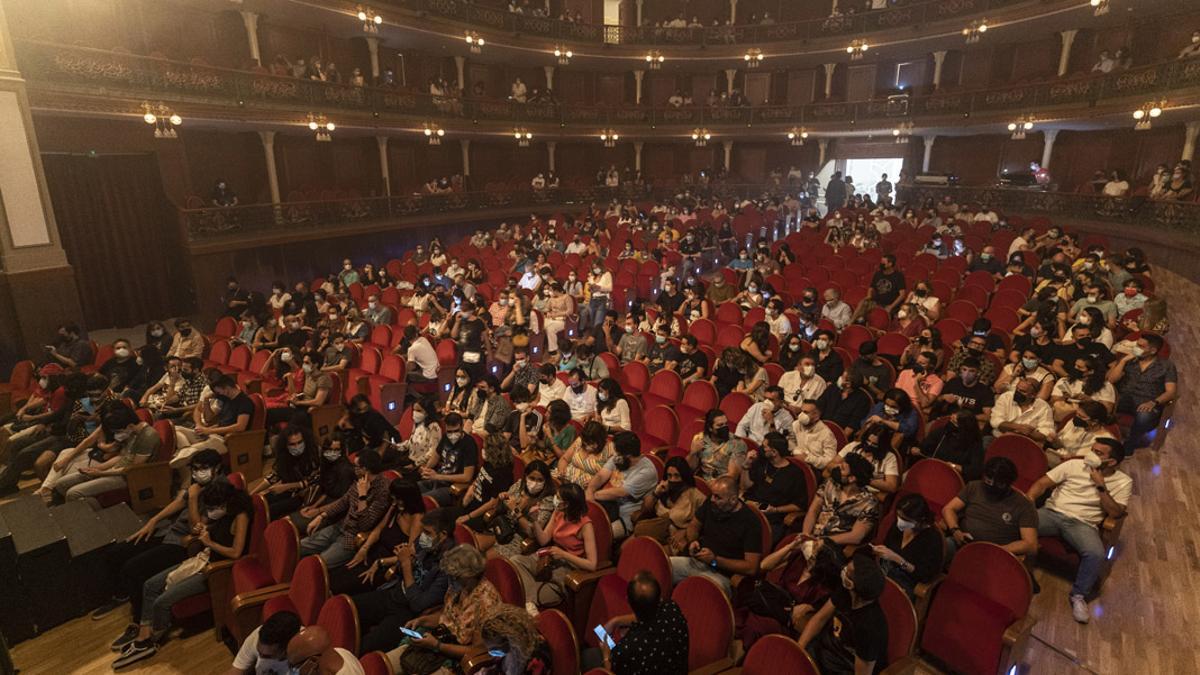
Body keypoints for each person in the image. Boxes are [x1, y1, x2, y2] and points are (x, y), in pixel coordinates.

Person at [110, 477, 252, 667]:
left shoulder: (240, 515)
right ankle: (144, 633)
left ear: (225, 503)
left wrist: (209, 542)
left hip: (214, 569)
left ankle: (153, 637)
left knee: (162, 600)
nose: (210, 512)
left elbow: (235, 553)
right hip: (202, 558)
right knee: (150, 585)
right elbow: (196, 530)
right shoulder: (220, 514)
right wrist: (204, 528)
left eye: (212, 508)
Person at [1026, 438, 1131, 623]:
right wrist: (1029, 499)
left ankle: (1078, 595)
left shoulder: (1123, 482)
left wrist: (1100, 485)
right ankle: (1019, 568)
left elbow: (1115, 512)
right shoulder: (1074, 465)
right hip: (1053, 512)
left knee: (1096, 553)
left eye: (1098, 453)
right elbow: (1042, 483)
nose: (1090, 455)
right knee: (1018, 522)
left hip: (1082, 523)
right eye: (1092, 450)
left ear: (1112, 462)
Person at [351, 507, 456, 653]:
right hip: (393, 593)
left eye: (427, 533)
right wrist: (403, 559)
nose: (422, 537)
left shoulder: (449, 565)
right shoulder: (426, 541)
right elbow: (402, 567)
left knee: (364, 647)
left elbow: (419, 605)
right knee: (348, 610)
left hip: (407, 614)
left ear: (443, 535)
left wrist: (406, 566)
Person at [384, 544, 502, 672]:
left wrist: (438, 646)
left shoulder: (487, 603)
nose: (451, 581)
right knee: (385, 664)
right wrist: (422, 621)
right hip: (438, 642)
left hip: (455, 659)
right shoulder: (458, 586)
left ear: (471, 575)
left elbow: (477, 651)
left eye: (455, 577)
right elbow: (446, 617)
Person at [669, 475, 763, 597]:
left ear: (733, 500)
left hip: (722, 575)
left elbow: (751, 567)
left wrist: (715, 560)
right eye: (713, 495)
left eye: (718, 497)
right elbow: (693, 526)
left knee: (697, 593)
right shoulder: (711, 503)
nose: (712, 499)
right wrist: (693, 541)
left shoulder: (750, 522)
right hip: (697, 562)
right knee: (661, 567)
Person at [49, 405, 159, 508]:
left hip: (126, 477)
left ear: (130, 426)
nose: (117, 434)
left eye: (118, 431)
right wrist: (98, 468)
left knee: (73, 493)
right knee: (61, 484)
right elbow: (121, 456)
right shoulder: (131, 431)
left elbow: (132, 469)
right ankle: (63, 512)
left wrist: (101, 473)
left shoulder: (147, 436)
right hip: (115, 469)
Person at [796, 553, 888, 675]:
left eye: (848, 571)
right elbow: (820, 618)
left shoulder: (870, 627)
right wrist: (798, 650)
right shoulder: (846, 592)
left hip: (842, 668)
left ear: (851, 584)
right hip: (824, 651)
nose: (843, 569)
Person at [511, 482, 599, 607]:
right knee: (515, 561)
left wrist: (563, 555)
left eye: (558, 497)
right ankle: (530, 599)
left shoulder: (586, 525)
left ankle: (529, 597)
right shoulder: (558, 511)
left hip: (568, 566)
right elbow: (544, 539)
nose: (555, 499)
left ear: (567, 504)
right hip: (549, 557)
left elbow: (592, 564)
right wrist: (535, 520)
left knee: (525, 589)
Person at [300, 450, 390, 567]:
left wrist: (362, 496)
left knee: (318, 564)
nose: (353, 469)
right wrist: (321, 516)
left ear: (365, 469)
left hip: (352, 537)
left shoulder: (383, 490)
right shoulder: (360, 479)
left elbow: (365, 524)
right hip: (340, 526)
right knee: (299, 547)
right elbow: (344, 501)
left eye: (356, 466)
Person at [942, 456, 1038, 558]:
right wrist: (955, 531)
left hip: (995, 555)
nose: (991, 486)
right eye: (988, 481)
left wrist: (996, 550)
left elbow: (1030, 545)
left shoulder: (1023, 505)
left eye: (999, 484)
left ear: (1008, 483)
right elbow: (949, 509)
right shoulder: (974, 487)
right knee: (939, 546)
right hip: (962, 543)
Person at [595, 571, 689, 675]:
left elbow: (613, 672)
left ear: (629, 602)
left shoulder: (626, 649)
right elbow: (649, 613)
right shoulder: (672, 608)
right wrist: (616, 621)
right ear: (659, 598)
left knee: (587, 657)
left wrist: (606, 656)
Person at [1107, 333, 1176, 453]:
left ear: (1153, 350)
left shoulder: (1166, 366)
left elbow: (1171, 392)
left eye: (1140, 346)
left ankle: (1130, 445)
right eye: (1136, 345)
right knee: (1103, 405)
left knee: (1144, 418)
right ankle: (1106, 437)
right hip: (1123, 397)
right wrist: (1123, 361)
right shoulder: (1130, 360)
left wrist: (1153, 402)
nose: (1136, 348)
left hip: (1147, 401)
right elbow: (1111, 380)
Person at [171, 375, 253, 468]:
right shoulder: (226, 399)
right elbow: (219, 421)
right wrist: (206, 400)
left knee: (193, 450)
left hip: (224, 440)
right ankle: (184, 450)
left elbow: (240, 426)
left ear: (226, 388)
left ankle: (183, 455)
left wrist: (210, 431)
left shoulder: (245, 401)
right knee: (176, 429)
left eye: (218, 391)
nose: (217, 394)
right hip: (213, 433)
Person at [587, 431, 658, 538]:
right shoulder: (619, 458)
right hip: (605, 504)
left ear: (628, 455)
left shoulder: (647, 471)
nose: (613, 455)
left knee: (596, 536)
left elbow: (621, 492)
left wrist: (594, 495)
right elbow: (601, 475)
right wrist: (590, 490)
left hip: (624, 516)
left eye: (617, 452)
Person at [741, 432, 809, 544]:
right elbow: (745, 487)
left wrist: (775, 510)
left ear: (774, 452)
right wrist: (746, 466)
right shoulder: (761, 462)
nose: (761, 448)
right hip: (750, 507)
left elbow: (799, 505)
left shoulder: (795, 474)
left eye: (764, 447)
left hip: (772, 517)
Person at [871, 493, 942, 598]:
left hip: (906, 580)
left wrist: (898, 560)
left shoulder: (932, 538)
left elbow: (925, 575)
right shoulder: (899, 526)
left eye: (905, 519)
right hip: (885, 570)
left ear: (920, 520)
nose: (900, 521)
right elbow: (887, 544)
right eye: (899, 516)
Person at [252, 424, 319, 517]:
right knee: (258, 503)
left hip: (304, 495)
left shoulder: (314, 453)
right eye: (292, 444)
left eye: (300, 442)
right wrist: (251, 493)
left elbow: (315, 479)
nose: (297, 446)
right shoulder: (285, 456)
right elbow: (274, 476)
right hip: (288, 491)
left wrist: (286, 487)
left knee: (269, 511)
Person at [420, 412, 479, 505]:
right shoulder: (445, 437)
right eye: (449, 431)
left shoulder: (469, 444)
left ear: (462, 426)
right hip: (437, 479)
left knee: (423, 501)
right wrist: (426, 469)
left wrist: (437, 476)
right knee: (412, 491)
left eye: (456, 431)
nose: (452, 435)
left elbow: (467, 477)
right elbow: (436, 456)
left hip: (451, 486)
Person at [478, 604, 553, 675]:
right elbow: (499, 666)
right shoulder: (514, 645)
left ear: (509, 639)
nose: (491, 652)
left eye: (494, 648)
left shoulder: (536, 661)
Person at [913, 409, 985, 480]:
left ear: (964, 426)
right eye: (950, 420)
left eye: (954, 423)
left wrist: (954, 466)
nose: (950, 424)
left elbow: (975, 470)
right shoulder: (943, 432)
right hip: (933, 470)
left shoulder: (975, 442)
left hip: (954, 478)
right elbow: (925, 447)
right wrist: (918, 449)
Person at [228, 610, 303, 674]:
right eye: (259, 652)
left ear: (287, 649)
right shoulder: (258, 635)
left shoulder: (307, 655)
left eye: (267, 656)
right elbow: (237, 669)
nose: (261, 658)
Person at [989, 378, 1056, 444]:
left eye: (1022, 391)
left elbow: (1047, 432)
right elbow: (995, 421)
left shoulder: (1044, 407)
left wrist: (1029, 433)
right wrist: (1018, 427)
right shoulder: (1006, 397)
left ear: (1033, 395)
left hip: (1026, 444)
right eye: (1017, 389)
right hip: (999, 438)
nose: (1017, 393)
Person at [688, 409, 747, 481]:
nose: (724, 427)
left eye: (726, 424)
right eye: (720, 425)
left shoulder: (737, 444)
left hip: (722, 484)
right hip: (702, 479)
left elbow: (732, 477)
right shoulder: (699, 439)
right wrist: (693, 453)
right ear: (710, 428)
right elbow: (690, 468)